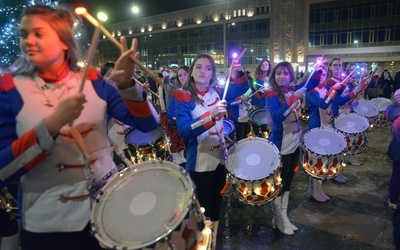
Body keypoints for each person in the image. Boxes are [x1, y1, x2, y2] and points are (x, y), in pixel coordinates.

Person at [0, 5, 158, 249]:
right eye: (24, 34)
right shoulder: (9, 87)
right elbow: (4, 170)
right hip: (47, 224)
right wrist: (52, 124)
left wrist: (128, 84)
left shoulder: (94, 80)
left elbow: (148, 124)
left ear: (64, 41)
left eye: (39, 34)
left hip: (108, 212)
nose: (28, 41)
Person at [176, 54, 243, 249]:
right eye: (198, 67)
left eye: (207, 68)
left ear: (213, 73)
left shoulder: (218, 92)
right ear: (191, 72)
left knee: (216, 207)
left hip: (219, 161)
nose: (202, 71)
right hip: (200, 164)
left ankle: (212, 242)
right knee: (202, 211)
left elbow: (242, 89)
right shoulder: (184, 97)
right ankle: (202, 244)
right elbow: (185, 131)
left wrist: (235, 73)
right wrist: (210, 117)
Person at [263, 61, 321, 235]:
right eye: (278, 73)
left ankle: (281, 218)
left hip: (294, 144)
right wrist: (293, 98)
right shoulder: (271, 94)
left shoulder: (291, 89)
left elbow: (310, 82)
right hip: (281, 147)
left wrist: (318, 70)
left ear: (291, 76)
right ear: (274, 76)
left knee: (288, 183)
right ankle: (281, 219)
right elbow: (276, 116)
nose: (282, 77)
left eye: (286, 73)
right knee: (279, 185)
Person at [326, 58, 371, 179]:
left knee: (343, 144)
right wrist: (354, 91)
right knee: (338, 146)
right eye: (335, 65)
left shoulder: (343, 80)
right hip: (335, 115)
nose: (337, 67)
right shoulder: (330, 82)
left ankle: (339, 171)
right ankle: (336, 172)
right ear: (329, 67)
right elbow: (338, 101)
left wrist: (363, 84)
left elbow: (351, 94)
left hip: (345, 113)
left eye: (339, 65)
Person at [305, 64, 344, 202]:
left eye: (323, 74)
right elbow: (322, 104)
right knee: (315, 161)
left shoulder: (324, 89)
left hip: (326, 125)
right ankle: (313, 190)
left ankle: (319, 189)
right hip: (315, 128)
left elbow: (335, 101)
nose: (322, 76)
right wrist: (333, 90)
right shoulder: (310, 91)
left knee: (323, 159)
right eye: (319, 74)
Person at [168, 65, 188, 165]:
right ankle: (175, 155)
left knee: (182, 140)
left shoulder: (191, 90)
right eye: (180, 75)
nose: (183, 77)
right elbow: (171, 108)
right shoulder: (177, 91)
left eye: (185, 74)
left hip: (186, 122)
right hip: (176, 120)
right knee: (175, 139)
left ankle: (181, 154)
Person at [386, 89, 400, 211]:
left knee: (396, 175)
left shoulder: (394, 111)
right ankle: (393, 200)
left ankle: (393, 199)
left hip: (396, 148)